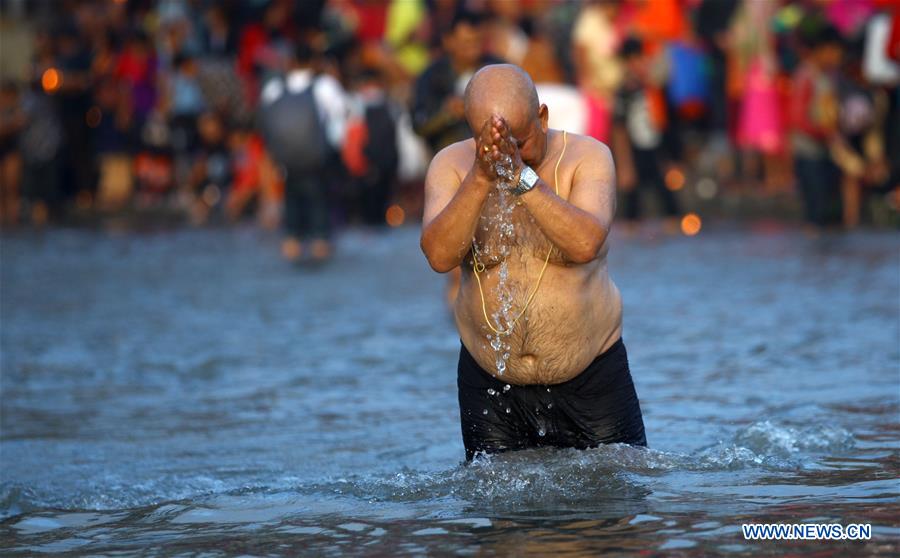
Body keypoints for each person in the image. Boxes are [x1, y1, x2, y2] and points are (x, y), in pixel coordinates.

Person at [420, 64, 647, 461]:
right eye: (492, 145)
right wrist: (480, 177)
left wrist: (521, 177)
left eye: (520, 143)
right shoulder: (451, 165)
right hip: (491, 384)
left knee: (615, 492)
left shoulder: (588, 157)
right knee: (496, 500)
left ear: (542, 117)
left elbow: (585, 243)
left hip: (592, 380)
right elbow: (439, 256)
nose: (507, 155)